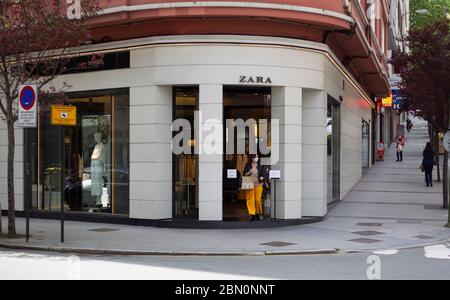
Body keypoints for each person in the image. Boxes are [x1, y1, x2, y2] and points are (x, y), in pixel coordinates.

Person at [243, 155, 266, 221]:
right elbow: (244, 174)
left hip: (258, 184)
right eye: (255, 157)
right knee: (250, 200)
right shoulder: (248, 165)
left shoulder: (260, 166)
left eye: (257, 157)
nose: (257, 158)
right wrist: (250, 172)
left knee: (258, 200)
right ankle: (252, 214)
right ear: (252, 158)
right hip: (249, 185)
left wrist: (262, 177)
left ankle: (257, 213)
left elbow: (264, 174)